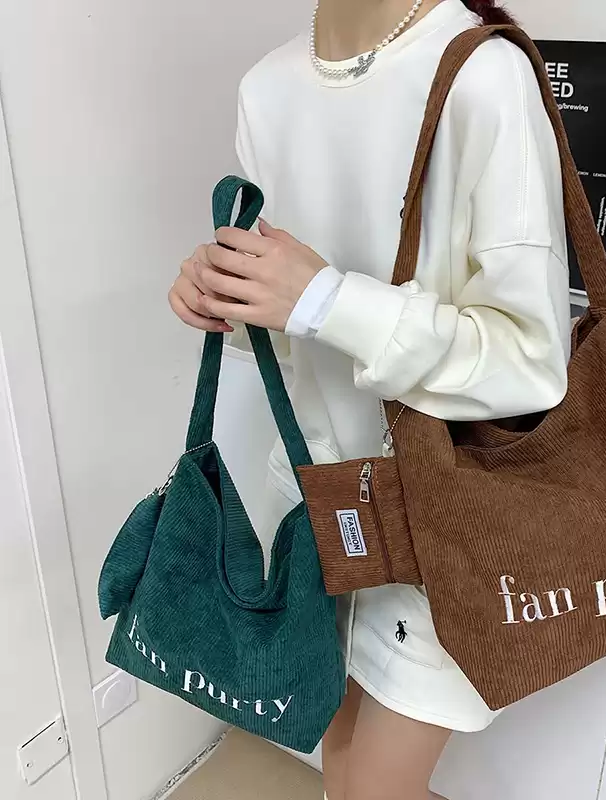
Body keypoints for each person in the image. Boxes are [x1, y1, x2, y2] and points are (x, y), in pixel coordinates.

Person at [168, 1, 571, 798]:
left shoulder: (481, 73)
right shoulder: (267, 89)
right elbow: (298, 339)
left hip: (440, 529)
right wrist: (233, 302)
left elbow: (531, 361)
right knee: (342, 774)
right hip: (320, 512)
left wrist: (324, 298)